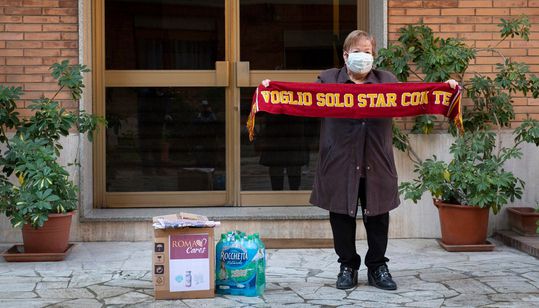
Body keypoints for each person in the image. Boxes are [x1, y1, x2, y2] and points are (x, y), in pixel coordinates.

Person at [308, 30, 458, 291]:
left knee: (378, 216)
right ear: (345, 55)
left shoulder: (386, 81)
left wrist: (446, 90)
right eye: (357, 52)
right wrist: (269, 90)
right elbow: (300, 99)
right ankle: (348, 266)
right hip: (340, 162)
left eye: (367, 52)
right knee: (341, 216)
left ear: (374, 56)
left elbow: (417, 97)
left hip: (375, 161)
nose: (362, 57)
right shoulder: (327, 80)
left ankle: (377, 266)